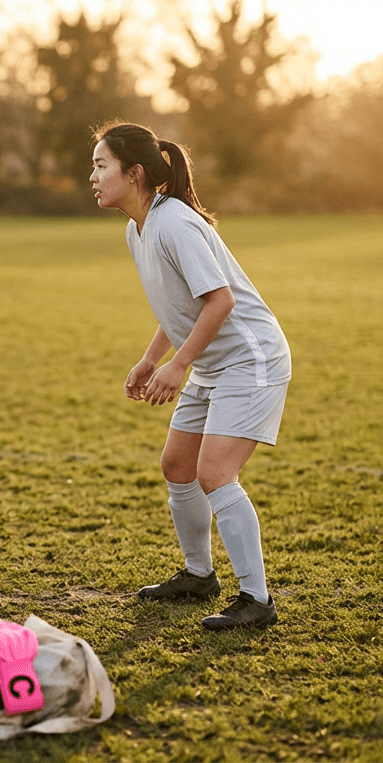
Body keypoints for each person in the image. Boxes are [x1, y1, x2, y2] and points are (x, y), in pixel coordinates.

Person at [89, 121, 291, 630]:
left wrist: (178, 365)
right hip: (211, 362)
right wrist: (151, 359)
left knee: (215, 473)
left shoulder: (175, 222)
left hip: (250, 359)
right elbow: (181, 303)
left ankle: (257, 600)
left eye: (101, 165)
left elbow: (219, 301)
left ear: (134, 174)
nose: (92, 176)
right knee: (178, 465)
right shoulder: (138, 229)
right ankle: (199, 576)